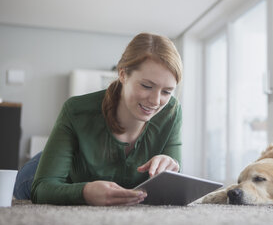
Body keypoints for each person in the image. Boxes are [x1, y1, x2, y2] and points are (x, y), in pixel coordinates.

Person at [13, 33, 183, 206]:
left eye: (167, 92)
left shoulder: (172, 112)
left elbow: (173, 184)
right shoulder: (75, 110)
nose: (155, 101)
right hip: (43, 173)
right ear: (123, 75)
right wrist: (85, 192)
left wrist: (171, 164)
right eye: (147, 86)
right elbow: (42, 187)